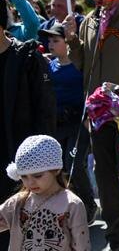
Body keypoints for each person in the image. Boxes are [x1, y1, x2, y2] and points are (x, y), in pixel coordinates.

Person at [64, 0, 119, 251]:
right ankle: (117, 238)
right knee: (104, 173)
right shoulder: (89, 21)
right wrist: (73, 39)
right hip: (99, 113)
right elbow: (82, 63)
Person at [0, 0, 56, 251]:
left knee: (21, 225)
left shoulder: (27, 58)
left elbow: (46, 111)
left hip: (20, 161)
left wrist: (43, 164)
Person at [38, 22, 96, 221]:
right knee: (58, 166)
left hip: (78, 124)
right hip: (57, 125)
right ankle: (69, 206)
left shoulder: (80, 65)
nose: (50, 44)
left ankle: (89, 204)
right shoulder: (48, 65)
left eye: (56, 40)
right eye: (49, 40)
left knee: (73, 163)